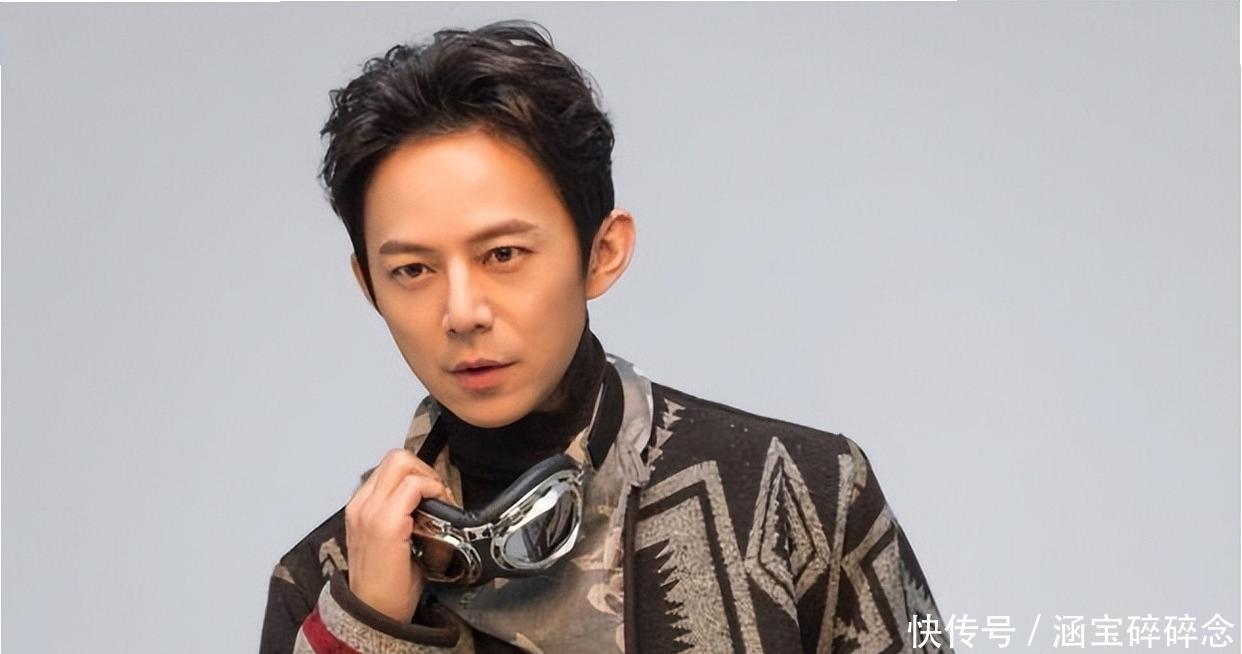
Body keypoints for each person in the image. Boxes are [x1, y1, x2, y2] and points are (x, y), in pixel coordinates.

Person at [260, 19, 952, 654]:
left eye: (503, 254)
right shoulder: (322, 582)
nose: (462, 312)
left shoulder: (801, 493)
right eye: (413, 270)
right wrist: (367, 629)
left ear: (603, 252)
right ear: (369, 285)